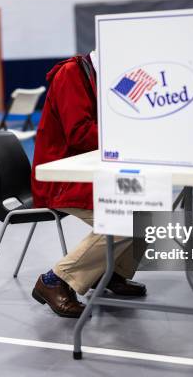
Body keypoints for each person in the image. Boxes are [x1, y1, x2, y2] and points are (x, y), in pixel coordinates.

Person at [30, 52, 146, 318]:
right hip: (62, 175)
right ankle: (55, 280)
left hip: (91, 170)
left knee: (149, 203)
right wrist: (134, 135)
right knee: (127, 218)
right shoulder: (71, 74)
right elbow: (80, 132)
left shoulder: (110, 76)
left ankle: (108, 272)